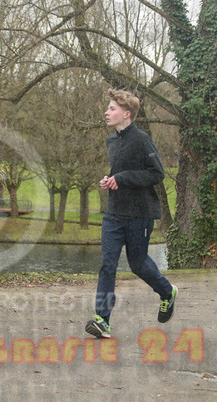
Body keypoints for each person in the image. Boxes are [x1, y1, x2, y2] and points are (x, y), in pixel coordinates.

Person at [85, 88, 177, 339]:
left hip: (140, 213)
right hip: (114, 212)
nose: (107, 112)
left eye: (112, 108)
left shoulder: (141, 139)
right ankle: (102, 320)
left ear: (126, 114)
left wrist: (123, 178)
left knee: (138, 264)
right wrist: (110, 179)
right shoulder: (111, 140)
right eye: (108, 108)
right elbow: (120, 170)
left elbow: (157, 173)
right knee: (108, 265)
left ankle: (167, 291)